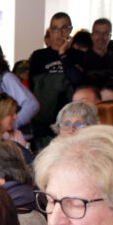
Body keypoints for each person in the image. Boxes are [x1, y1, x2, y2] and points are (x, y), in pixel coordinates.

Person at [29, 12, 84, 148]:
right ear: (50, 31)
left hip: (72, 123)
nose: (59, 33)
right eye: (54, 28)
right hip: (44, 124)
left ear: (70, 30)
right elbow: (35, 88)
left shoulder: (79, 56)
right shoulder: (38, 56)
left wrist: (62, 54)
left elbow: (77, 80)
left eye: (64, 28)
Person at [82, 18, 113, 87]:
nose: (101, 37)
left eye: (105, 33)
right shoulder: (82, 59)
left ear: (110, 36)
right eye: (97, 33)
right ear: (92, 35)